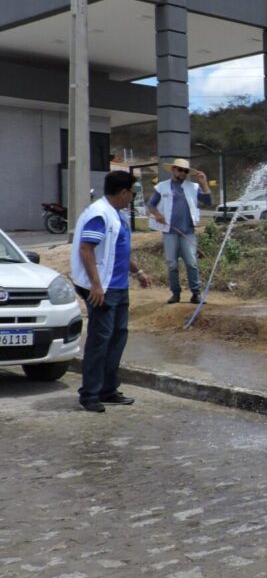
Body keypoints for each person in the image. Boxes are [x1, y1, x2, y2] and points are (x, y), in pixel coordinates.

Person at [71, 171, 152, 412]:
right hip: (103, 289)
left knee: (117, 337)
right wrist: (96, 285)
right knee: (100, 340)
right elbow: (86, 249)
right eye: (132, 193)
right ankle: (90, 395)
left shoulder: (115, 213)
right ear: (124, 192)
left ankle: (108, 389)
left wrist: (137, 272)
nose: (132, 198)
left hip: (118, 286)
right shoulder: (100, 214)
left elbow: (118, 251)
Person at [147, 158, 212, 304]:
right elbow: (151, 205)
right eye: (180, 169)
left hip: (188, 230)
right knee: (172, 263)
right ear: (173, 170)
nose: (183, 173)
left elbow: (208, 201)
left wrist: (204, 183)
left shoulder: (193, 187)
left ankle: (196, 293)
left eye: (185, 171)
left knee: (191, 262)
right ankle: (175, 293)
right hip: (170, 231)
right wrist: (158, 215)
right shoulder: (161, 187)